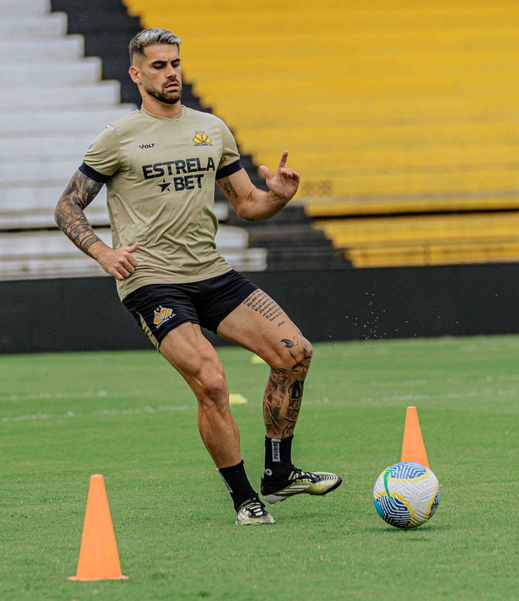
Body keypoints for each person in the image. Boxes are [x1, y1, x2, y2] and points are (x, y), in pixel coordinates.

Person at [54, 29, 341, 525]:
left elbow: (248, 204)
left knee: (295, 353)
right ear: (137, 73)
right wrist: (102, 252)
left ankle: (279, 473)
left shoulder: (212, 128)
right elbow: (67, 205)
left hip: (212, 273)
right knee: (211, 380)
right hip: (152, 282)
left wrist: (277, 196)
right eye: (160, 65)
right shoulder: (118, 137)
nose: (171, 73)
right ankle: (244, 498)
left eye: (176, 63)